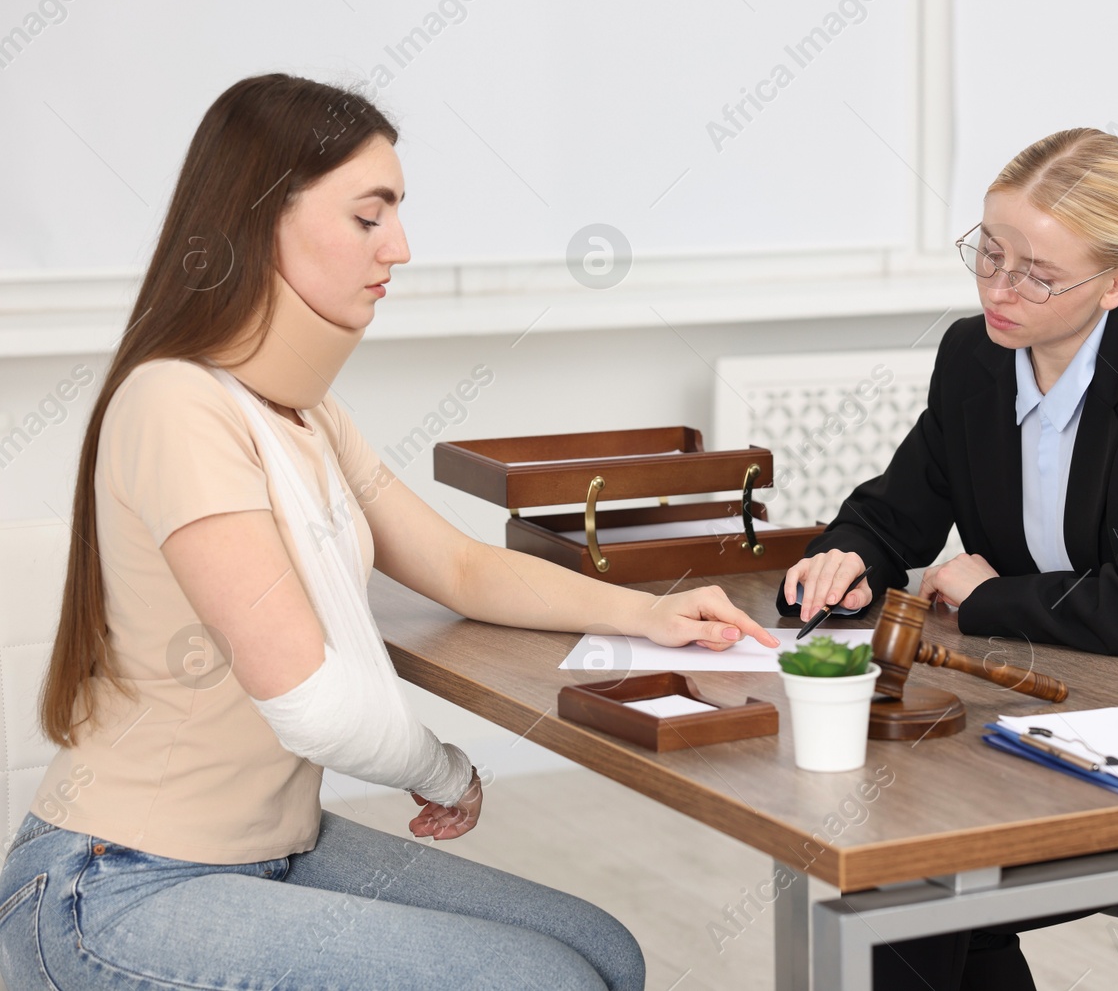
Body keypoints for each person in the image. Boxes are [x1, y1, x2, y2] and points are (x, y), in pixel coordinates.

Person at [0, 73, 777, 990]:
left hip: (269, 847)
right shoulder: (176, 405)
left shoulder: (303, 413)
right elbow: (312, 699)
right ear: (261, 221)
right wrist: (444, 769)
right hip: (117, 882)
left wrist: (649, 614)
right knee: (546, 982)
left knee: (607, 953)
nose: (399, 248)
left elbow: (453, 562)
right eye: (370, 217)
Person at [781, 128, 1118, 988]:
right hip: (1065, 690)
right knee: (909, 854)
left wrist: (989, 597)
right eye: (989, 254)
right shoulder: (978, 357)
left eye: (1036, 273)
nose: (1001, 288)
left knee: (916, 876)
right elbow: (901, 509)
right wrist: (846, 554)